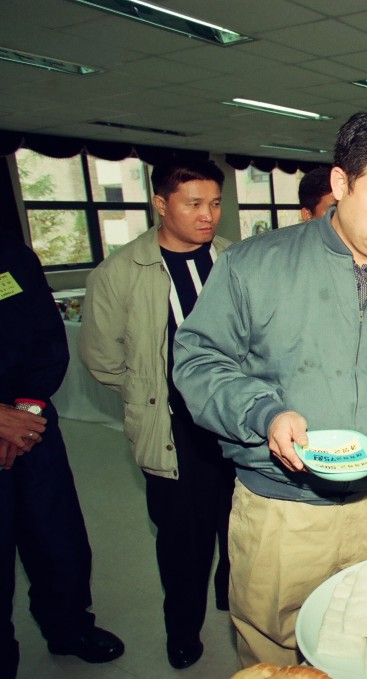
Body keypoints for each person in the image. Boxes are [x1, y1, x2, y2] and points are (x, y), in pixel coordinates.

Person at [171, 104, 367, 667]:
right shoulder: (256, 266)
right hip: (281, 507)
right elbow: (198, 362)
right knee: (273, 646)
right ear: (342, 183)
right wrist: (263, 412)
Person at [78, 157, 235, 670]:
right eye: (194, 204)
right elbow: (102, 360)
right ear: (161, 204)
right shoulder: (120, 273)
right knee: (183, 543)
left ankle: (234, 601)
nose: (208, 215)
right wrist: (154, 392)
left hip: (238, 425)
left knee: (240, 527)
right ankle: (182, 631)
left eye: (214, 203)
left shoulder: (235, 260)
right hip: (174, 432)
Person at [1, 243, 124, 679]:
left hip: (31, 424)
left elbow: (46, 335)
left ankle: (70, 628)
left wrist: (27, 411)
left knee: (58, 539)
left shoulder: (10, 255)